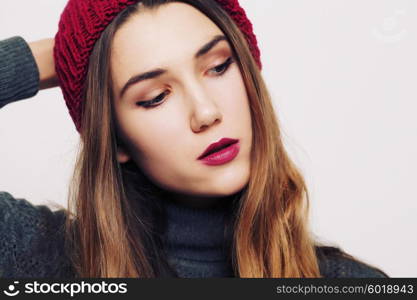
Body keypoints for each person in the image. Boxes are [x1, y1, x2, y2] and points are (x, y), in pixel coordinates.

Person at [0, 0, 389, 278]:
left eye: (219, 67)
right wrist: (69, 52)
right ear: (114, 139)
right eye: (155, 96)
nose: (206, 112)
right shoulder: (40, 258)